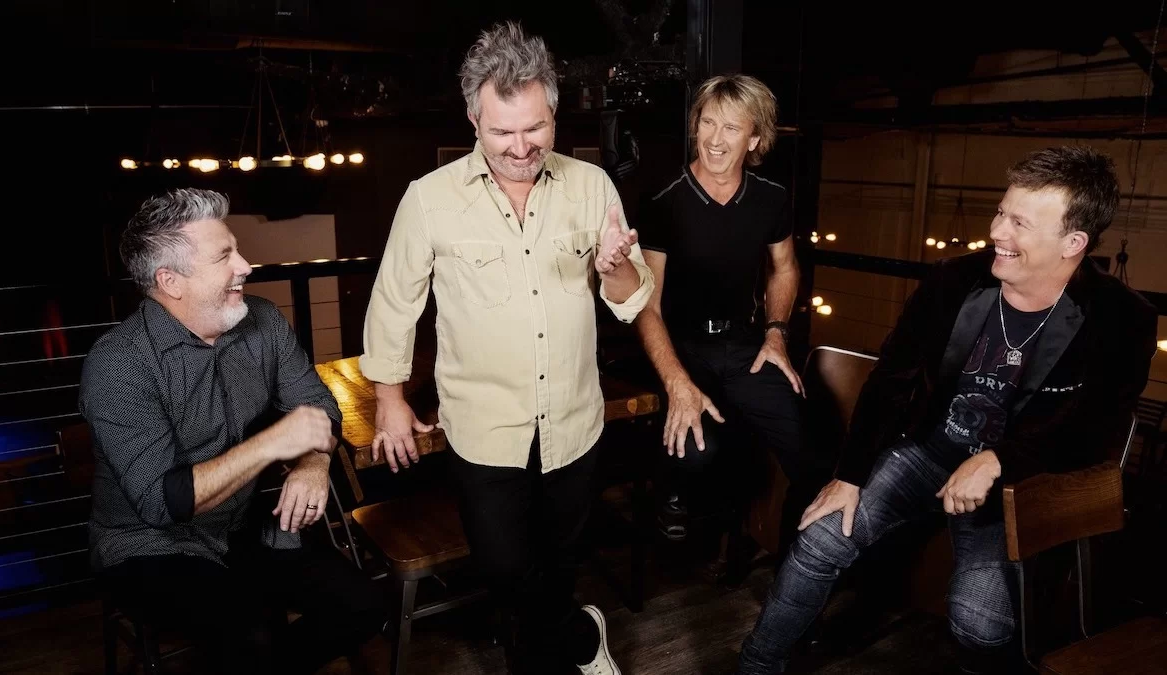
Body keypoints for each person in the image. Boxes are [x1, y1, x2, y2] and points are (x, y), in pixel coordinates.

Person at [735, 145, 1159, 674]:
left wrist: (999, 459)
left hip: (1009, 487)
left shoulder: (1122, 319)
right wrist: (849, 475)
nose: (996, 231)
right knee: (820, 538)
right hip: (928, 453)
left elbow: (1096, 433)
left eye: (1019, 223)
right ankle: (756, 665)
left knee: (981, 623)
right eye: (1001, 212)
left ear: (1073, 243)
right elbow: (890, 381)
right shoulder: (952, 281)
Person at [358, 21, 654, 675]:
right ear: (473, 119)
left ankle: (549, 654)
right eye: (502, 132)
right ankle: (580, 638)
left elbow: (632, 300)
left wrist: (615, 269)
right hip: (485, 427)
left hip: (574, 420)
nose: (521, 147)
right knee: (503, 568)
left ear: (554, 113)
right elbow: (394, 303)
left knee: (562, 560)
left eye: (535, 127)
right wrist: (389, 399)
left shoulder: (591, 186)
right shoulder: (427, 200)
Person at [81, 188, 388, 675]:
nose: (245, 265)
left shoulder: (262, 320)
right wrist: (274, 442)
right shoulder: (119, 365)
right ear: (170, 281)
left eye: (237, 249)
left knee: (364, 606)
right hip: (147, 544)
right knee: (249, 635)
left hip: (242, 525)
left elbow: (319, 404)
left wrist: (312, 463)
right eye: (224, 256)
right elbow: (165, 503)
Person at [634, 74, 827, 556]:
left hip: (744, 345)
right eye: (707, 123)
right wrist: (677, 381)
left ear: (755, 139)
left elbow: (785, 268)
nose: (715, 139)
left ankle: (801, 560)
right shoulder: (664, 200)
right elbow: (647, 306)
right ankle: (670, 493)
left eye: (732, 128)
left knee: (808, 450)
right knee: (699, 452)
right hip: (681, 345)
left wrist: (776, 333)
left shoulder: (770, 197)